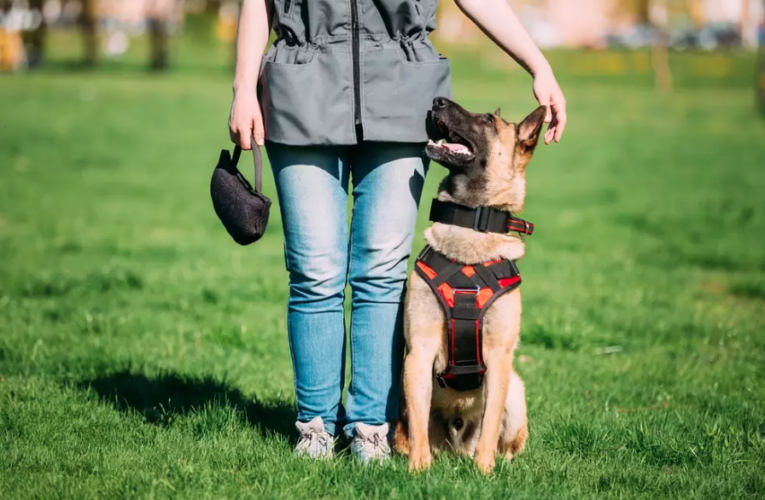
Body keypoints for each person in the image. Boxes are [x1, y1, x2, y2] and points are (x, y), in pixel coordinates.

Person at [229, 0, 567, 463]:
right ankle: (316, 429)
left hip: (400, 93)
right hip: (300, 89)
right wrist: (243, 85)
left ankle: (372, 429)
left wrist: (538, 64)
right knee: (313, 273)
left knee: (382, 274)